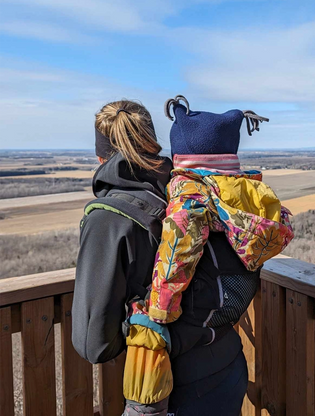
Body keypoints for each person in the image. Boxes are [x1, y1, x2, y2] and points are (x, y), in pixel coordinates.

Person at [72, 99, 254, 416]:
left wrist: (138, 320)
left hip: (171, 388)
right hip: (227, 366)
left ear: (100, 157)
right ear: (153, 144)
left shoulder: (108, 220)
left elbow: (94, 344)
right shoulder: (193, 190)